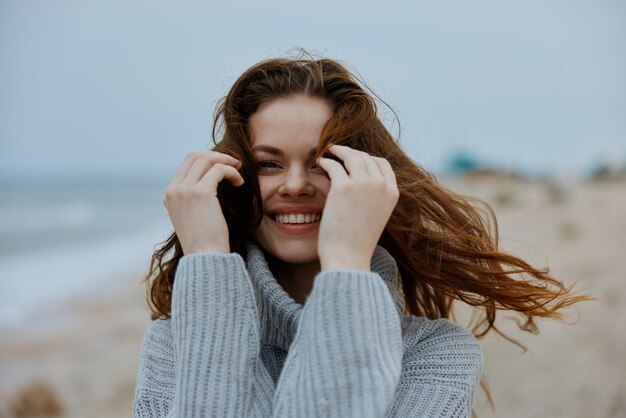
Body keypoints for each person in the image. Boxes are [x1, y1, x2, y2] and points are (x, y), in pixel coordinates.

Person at [133, 53, 585, 417]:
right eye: (268, 164)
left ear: (366, 181)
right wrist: (208, 261)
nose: (294, 185)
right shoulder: (172, 345)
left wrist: (347, 265)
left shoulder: (436, 355)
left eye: (321, 163)